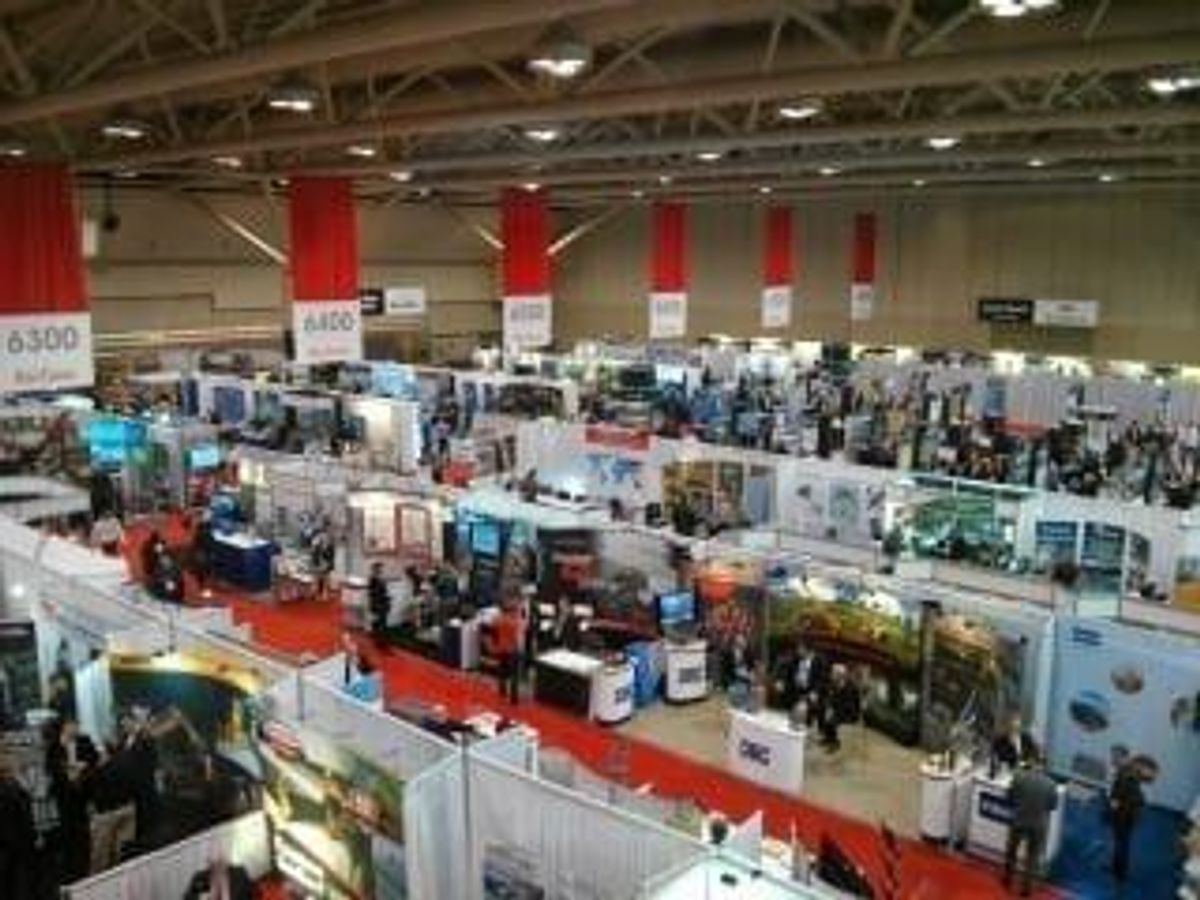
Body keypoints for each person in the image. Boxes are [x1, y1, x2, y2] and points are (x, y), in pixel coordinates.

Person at [1003, 753, 1059, 897]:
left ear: (1032, 762)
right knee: (1032, 857)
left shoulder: (1019, 777)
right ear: (1044, 766)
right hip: (1038, 824)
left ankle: (1007, 878)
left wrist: (1018, 805)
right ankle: (1026, 888)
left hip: (1019, 819)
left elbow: (1009, 797)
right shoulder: (1051, 784)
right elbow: (1053, 806)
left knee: (1012, 850)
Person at [0, 756, 35, 900]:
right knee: (16, 881)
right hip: (16, 843)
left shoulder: (14, 790)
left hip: (7, 844)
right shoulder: (16, 791)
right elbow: (26, 816)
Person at [1109, 758, 1144, 883]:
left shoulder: (1122, 780)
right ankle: (1118, 869)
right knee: (1123, 843)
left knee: (1120, 844)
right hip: (1130, 817)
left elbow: (1115, 801)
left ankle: (1119, 872)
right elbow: (1139, 802)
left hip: (1122, 817)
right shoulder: (1134, 781)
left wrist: (1110, 814)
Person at [487, 601, 524, 705]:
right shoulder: (516, 622)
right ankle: (514, 698)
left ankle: (502, 691)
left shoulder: (497, 619)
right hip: (513, 650)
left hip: (501, 649)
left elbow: (492, 632)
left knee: (502, 671)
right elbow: (518, 638)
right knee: (514, 675)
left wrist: (493, 646)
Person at [818, 664, 861, 753]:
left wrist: (834, 710)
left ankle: (835, 743)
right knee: (823, 712)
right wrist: (828, 705)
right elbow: (830, 698)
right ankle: (828, 738)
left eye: (833, 673)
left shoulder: (850, 687)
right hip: (838, 710)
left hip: (849, 712)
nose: (831, 675)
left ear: (840, 675)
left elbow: (849, 705)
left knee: (832, 720)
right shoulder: (834, 685)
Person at [184, 856, 254, 900]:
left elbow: (249, 895)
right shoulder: (200, 877)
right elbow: (188, 897)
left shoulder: (239, 873)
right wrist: (204, 897)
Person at [367, 562, 391, 640]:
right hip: (378, 602)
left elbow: (382, 590)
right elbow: (373, 592)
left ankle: (381, 634)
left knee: (382, 618)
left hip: (382, 601)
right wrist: (376, 602)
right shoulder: (373, 579)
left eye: (382, 568)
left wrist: (387, 597)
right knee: (377, 619)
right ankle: (377, 635)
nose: (382, 570)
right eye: (380, 568)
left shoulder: (380, 578)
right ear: (375, 569)